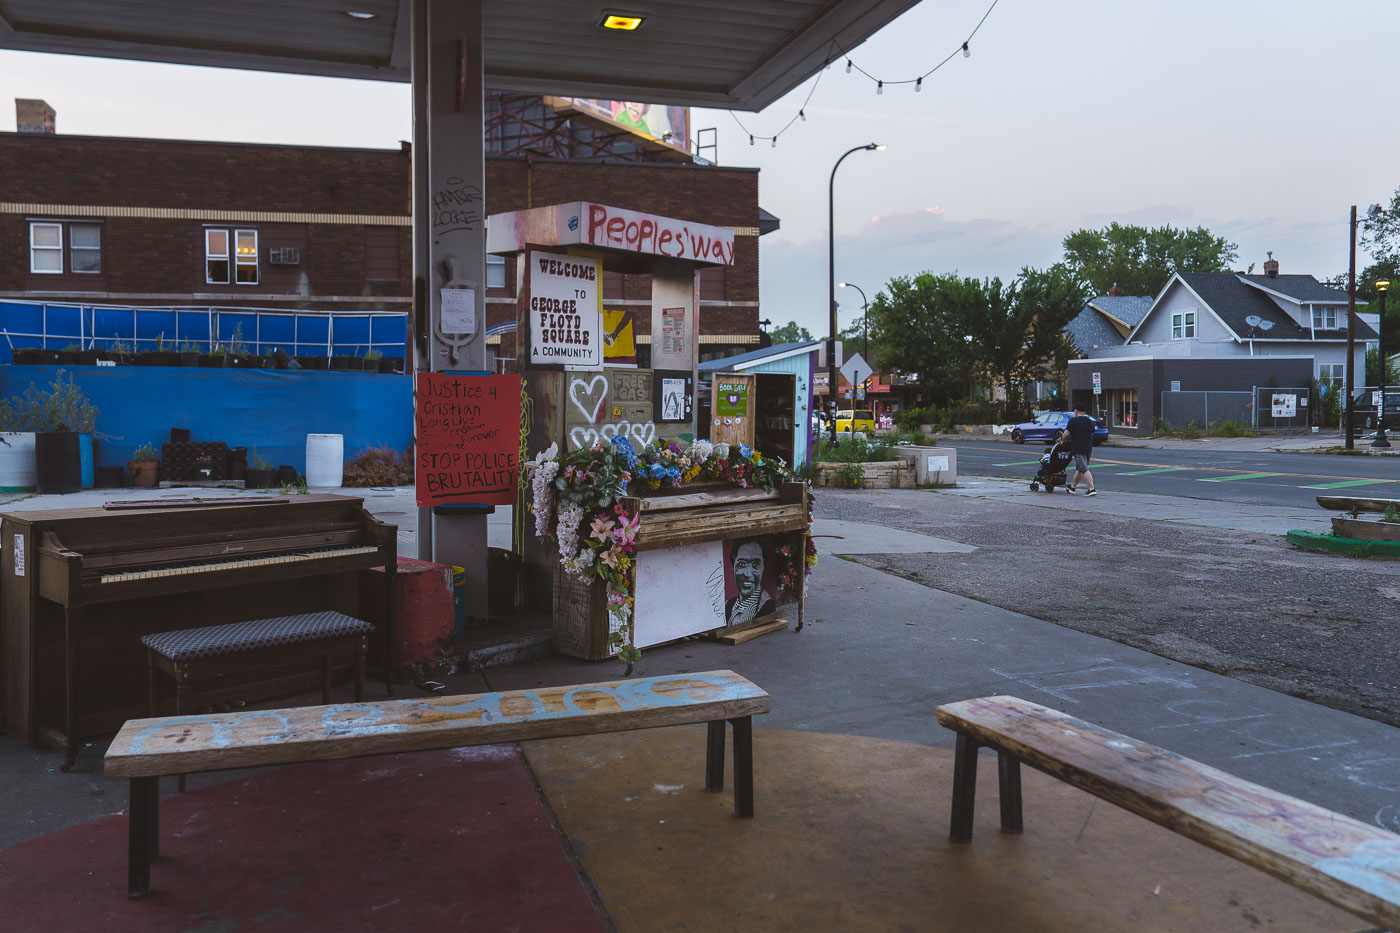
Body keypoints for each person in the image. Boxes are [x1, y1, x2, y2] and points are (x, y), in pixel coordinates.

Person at [726, 537, 776, 626]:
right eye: (741, 564)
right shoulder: (728, 605)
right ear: (733, 565)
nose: (747, 574)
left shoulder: (767, 607)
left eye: (755, 564)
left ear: (764, 567)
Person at [1065, 404, 1098, 496]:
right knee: (1079, 469)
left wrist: (1063, 441)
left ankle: (1092, 489)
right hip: (1088, 448)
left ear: (1076, 411)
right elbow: (1092, 433)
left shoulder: (1073, 421)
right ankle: (1073, 488)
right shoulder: (1090, 422)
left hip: (1078, 448)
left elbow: (1066, 434)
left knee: (1083, 468)